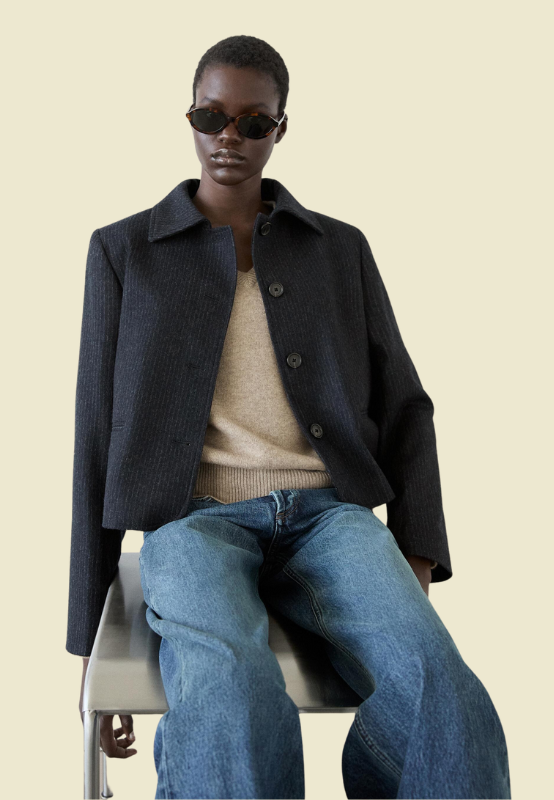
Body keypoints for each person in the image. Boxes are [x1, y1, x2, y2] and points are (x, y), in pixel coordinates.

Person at [69, 35, 511, 799]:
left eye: (253, 122)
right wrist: (87, 652)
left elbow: (406, 405)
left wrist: (414, 567)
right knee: (231, 689)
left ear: (281, 128)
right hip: (191, 519)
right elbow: (95, 437)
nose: (228, 138)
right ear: (188, 116)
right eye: (210, 116)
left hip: (330, 516)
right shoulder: (124, 252)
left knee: (441, 684)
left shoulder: (339, 249)